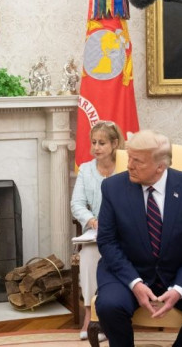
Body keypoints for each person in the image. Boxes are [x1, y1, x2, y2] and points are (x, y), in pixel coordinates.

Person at [95, 129, 182, 347]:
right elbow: (107, 242)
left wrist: (179, 289)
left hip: (179, 269)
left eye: (137, 161)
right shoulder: (113, 187)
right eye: (129, 158)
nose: (129, 165)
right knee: (109, 306)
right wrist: (135, 283)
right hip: (129, 270)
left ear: (160, 166)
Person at [70, 120, 125, 341]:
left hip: (124, 235)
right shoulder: (85, 170)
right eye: (93, 142)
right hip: (96, 235)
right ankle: (91, 316)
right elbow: (77, 204)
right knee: (89, 255)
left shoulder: (126, 167)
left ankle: (115, 316)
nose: (96, 147)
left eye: (102, 143)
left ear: (114, 143)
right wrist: (92, 221)